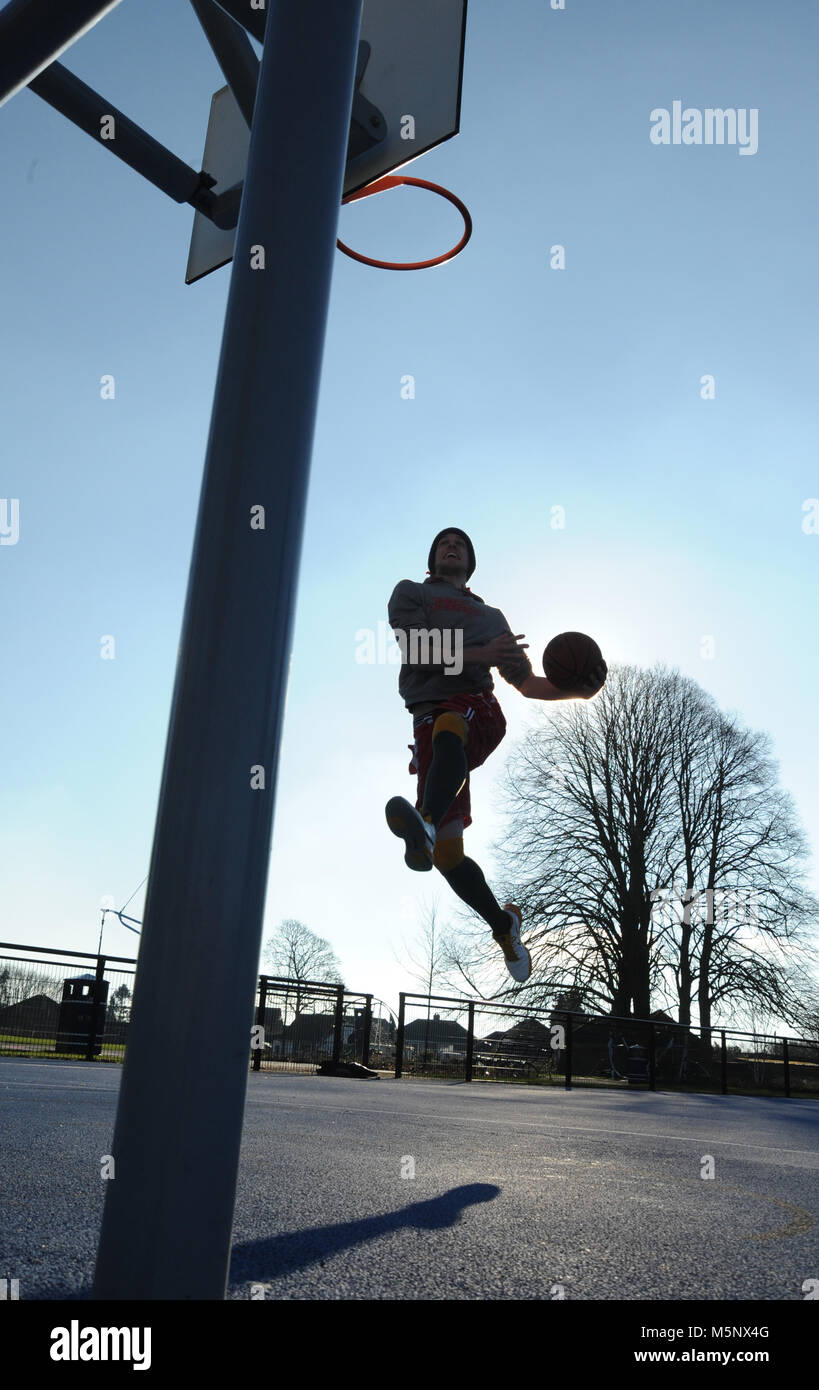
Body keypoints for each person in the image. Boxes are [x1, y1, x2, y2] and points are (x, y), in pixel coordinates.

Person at [385, 528, 606, 982]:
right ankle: (503, 926)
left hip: (475, 710)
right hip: (427, 723)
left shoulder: (490, 616)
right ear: (432, 559)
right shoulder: (411, 595)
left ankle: (424, 822)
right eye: (444, 542)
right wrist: (480, 652)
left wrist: (576, 693)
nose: (452, 546)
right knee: (447, 856)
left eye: (461, 544)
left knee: (452, 724)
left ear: (471, 562)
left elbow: (528, 684)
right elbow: (415, 649)